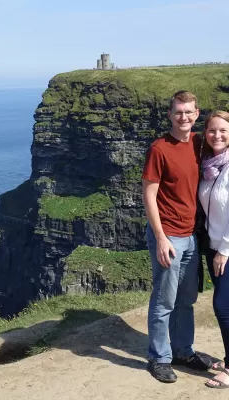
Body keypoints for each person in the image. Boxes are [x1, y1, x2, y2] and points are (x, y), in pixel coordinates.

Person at [142, 90, 212, 383]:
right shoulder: (159, 148)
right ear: (170, 115)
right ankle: (159, 358)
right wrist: (160, 238)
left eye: (189, 112)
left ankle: (184, 350)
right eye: (178, 112)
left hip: (192, 234)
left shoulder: (199, 143)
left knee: (187, 299)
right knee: (164, 300)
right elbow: (148, 194)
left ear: (197, 115)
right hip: (169, 234)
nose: (184, 117)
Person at [198, 111, 229, 389]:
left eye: (223, 130)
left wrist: (225, 249)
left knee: (223, 306)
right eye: (212, 130)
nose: (217, 135)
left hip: (227, 249)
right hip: (213, 244)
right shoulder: (209, 165)